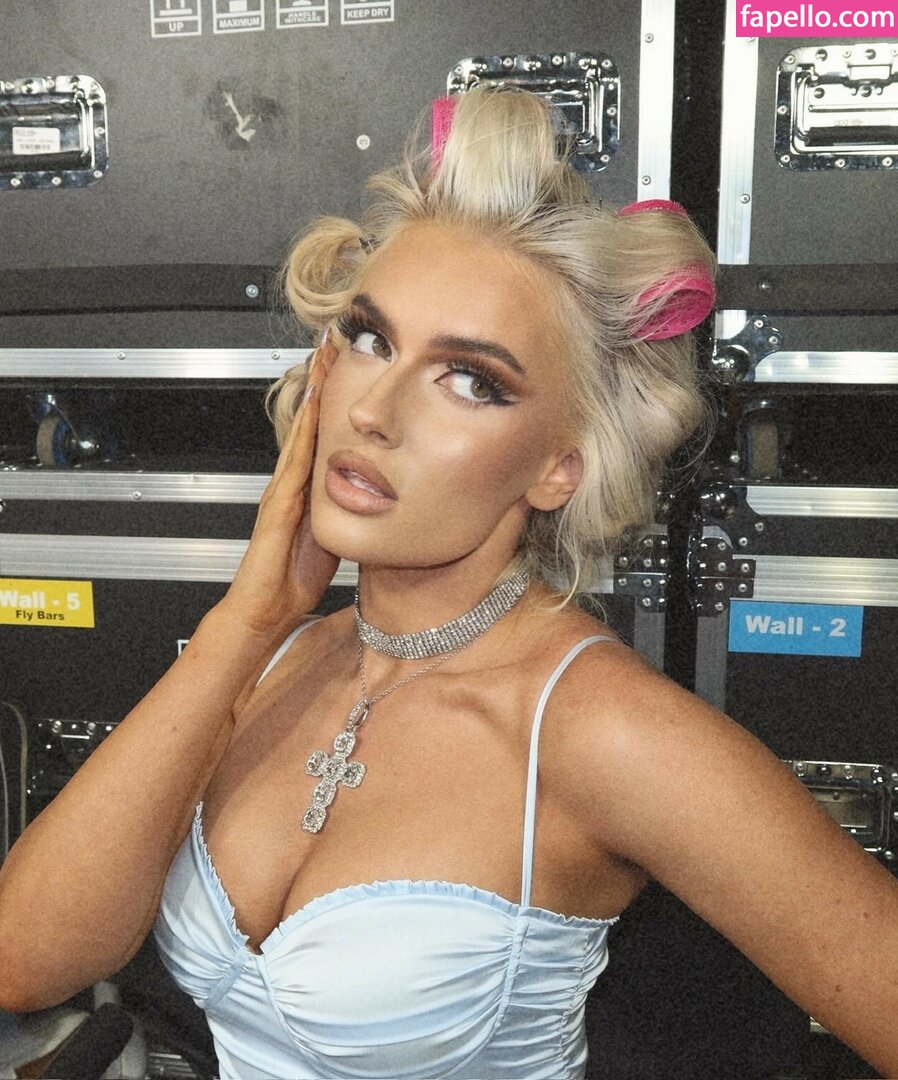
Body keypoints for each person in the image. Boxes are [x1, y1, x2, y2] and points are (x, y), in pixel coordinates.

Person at [0, 88, 896, 1080]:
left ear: (558, 467)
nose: (376, 411)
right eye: (371, 340)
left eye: (471, 380)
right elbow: (27, 961)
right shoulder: (275, 658)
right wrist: (243, 624)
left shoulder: (605, 730)